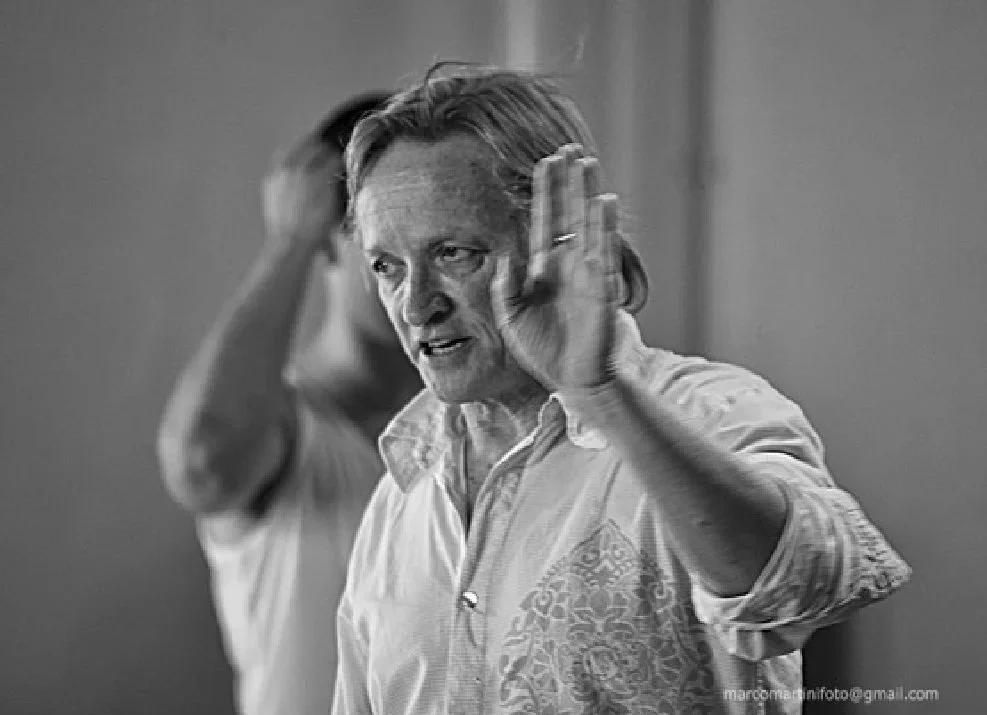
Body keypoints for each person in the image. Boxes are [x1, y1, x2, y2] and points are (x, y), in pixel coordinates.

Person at [331, 64, 912, 715]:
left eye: (453, 254)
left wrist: (603, 392)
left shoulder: (710, 410)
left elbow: (803, 588)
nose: (415, 306)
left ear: (557, 240)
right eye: (386, 266)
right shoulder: (401, 491)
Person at [156, 92, 421, 715]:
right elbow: (202, 463)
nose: (416, 270)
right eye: (388, 233)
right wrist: (290, 242)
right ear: (332, 231)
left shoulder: (483, 430)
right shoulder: (286, 428)